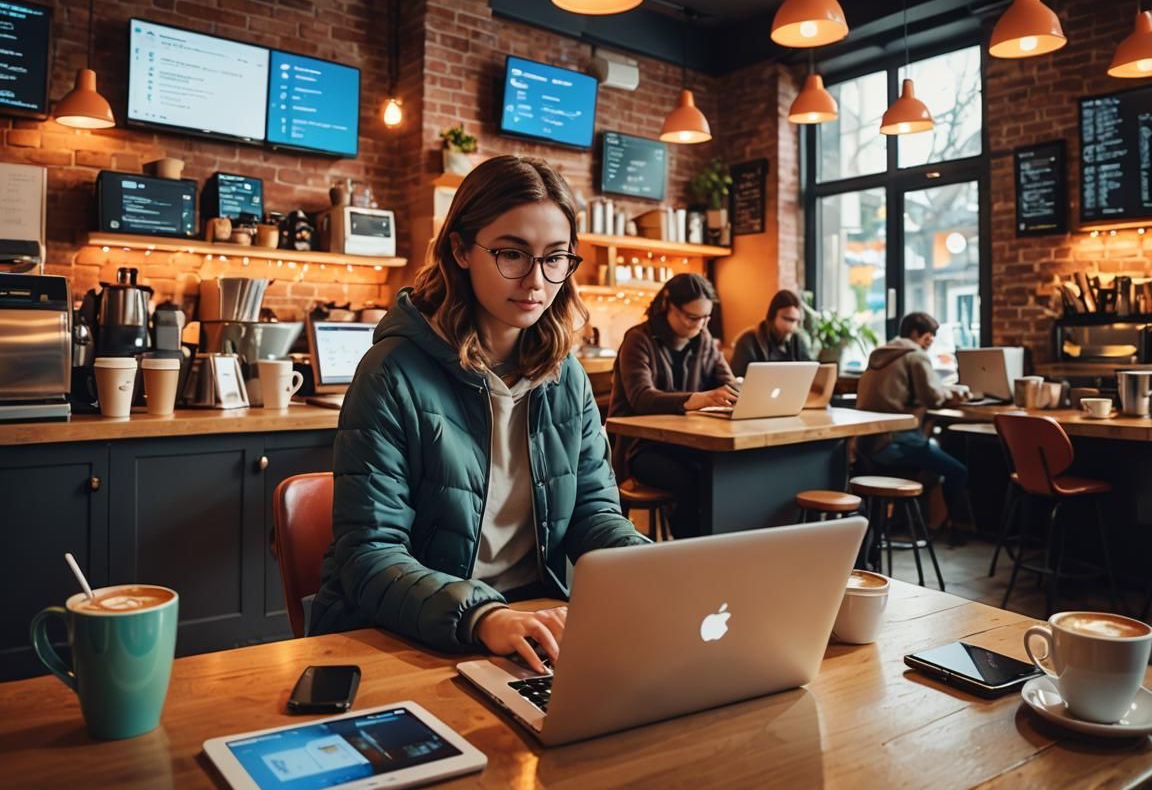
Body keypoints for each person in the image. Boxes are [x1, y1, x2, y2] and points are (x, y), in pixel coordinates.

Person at [309, 155, 648, 673]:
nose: (536, 281)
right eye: (512, 254)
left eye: (556, 258)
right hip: (409, 635)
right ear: (460, 249)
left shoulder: (567, 375)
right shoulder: (391, 373)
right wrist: (484, 615)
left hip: (534, 623)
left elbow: (591, 516)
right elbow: (370, 557)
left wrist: (656, 568)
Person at [607, 273, 737, 538]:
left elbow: (729, 384)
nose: (700, 325)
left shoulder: (704, 341)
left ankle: (718, 550)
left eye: (706, 318)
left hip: (689, 443)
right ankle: (688, 555)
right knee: (692, 479)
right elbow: (641, 398)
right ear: (668, 305)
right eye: (692, 317)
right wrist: (694, 399)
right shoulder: (638, 339)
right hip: (640, 448)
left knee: (725, 471)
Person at [856, 311, 969, 534]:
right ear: (916, 334)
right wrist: (956, 393)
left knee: (930, 463)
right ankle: (953, 526)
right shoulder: (915, 355)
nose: (928, 346)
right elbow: (933, 398)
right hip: (896, 444)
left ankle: (901, 521)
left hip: (866, 446)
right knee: (958, 471)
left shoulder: (878, 355)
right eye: (927, 339)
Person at [729, 289, 815, 376]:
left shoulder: (797, 340)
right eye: (787, 319)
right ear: (772, 316)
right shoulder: (748, 342)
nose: (792, 327)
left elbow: (811, 371)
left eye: (797, 321)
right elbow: (736, 380)